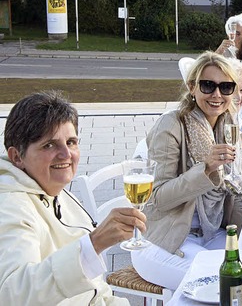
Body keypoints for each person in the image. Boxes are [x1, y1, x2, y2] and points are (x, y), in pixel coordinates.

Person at [0, 91, 141, 305]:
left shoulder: (54, 190)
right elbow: (14, 294)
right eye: (49, 145)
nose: (66, 155)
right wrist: (93, 244)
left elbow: (96, 289)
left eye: (71, 142)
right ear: (17, 157)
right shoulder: (10, 206)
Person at [132, 52, 242, 290]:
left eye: (226, 87)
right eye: (208, 85)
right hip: (166, 239)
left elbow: (235, 190)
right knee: (224, 283)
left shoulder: (229, 127)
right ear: (192, 87)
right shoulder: (172, 125)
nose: (217, 94)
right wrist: (205, 169)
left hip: (211, 234)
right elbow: (157, 199)